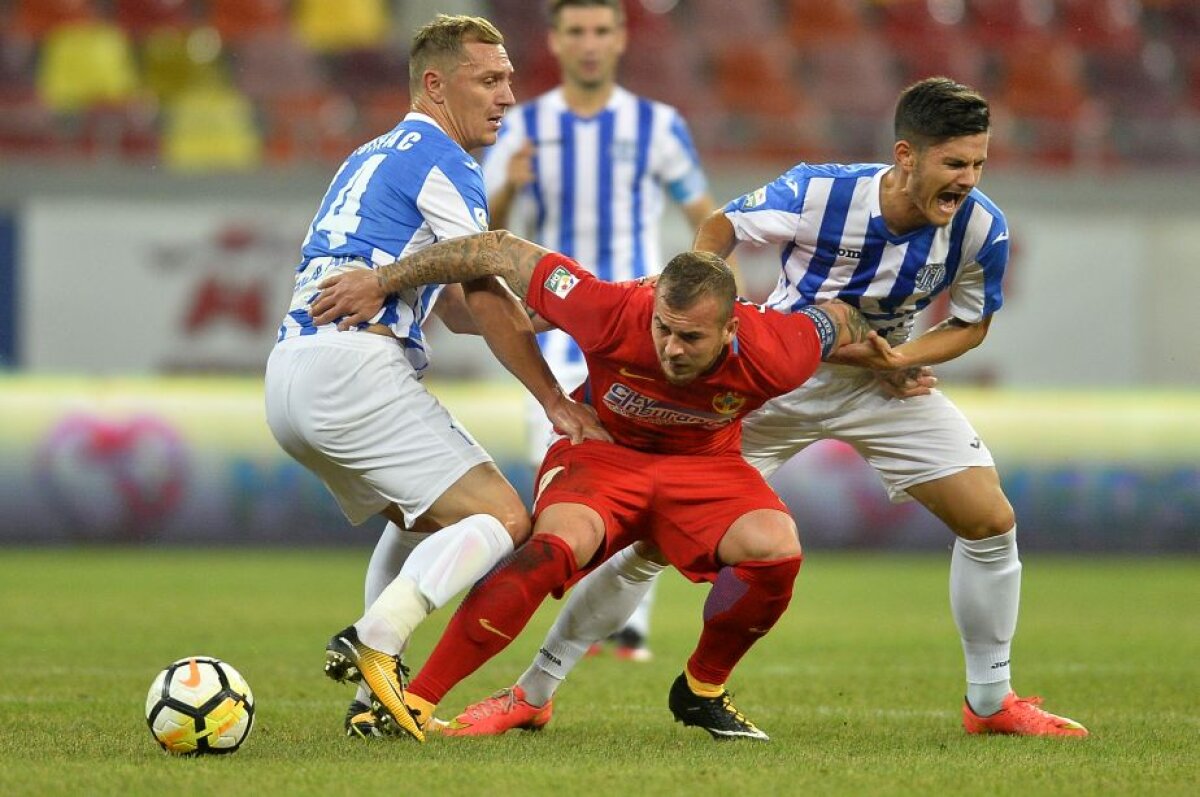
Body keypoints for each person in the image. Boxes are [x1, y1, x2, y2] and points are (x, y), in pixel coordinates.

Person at [448, 77, 1090, 739]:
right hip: (765, 380)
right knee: (646, 541)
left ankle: (990, 701)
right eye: (955, 163)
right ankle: (534, 690)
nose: (969, 181)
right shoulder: (822, 192)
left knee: (990, 520)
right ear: (906, 156)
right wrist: (690, 296)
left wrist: (899, 359)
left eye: (979, 163)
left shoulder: (982, 225)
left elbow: (972, 321)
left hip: (881, 385)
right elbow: (721, 226)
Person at [310, 228, 881, 741]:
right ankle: (411, 702)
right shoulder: (611, 307)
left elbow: (842, 319)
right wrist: (384, 279)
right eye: (664, 328)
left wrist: (893, 359)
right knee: (556, 545)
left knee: (777, 548)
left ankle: (702, 688)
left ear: (731, 327)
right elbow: (494, 249)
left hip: (704, 467)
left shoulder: (778, 348)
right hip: (604, 453)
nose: (671, 348)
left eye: (692, 338)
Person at [263, 14, 607, 743]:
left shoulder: (371, 154)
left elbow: (454, 309)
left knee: (421, 516)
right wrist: (552, 399)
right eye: (489, 79)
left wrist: (562, 313)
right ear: (434, 83)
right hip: (354, 368)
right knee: (505, 519)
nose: (507, 96)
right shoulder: (444, 156)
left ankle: (370, 696)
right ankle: (376, 640)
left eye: (510, 78)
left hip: (292, 377)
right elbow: (480, 280)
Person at [481, 0, 720, 660]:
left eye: (602, 31)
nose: (590, 43)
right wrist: (510, 190)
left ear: (620, 40)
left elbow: (706, 216)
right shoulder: (522, 124)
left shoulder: (659, 125)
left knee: (644, 470)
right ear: (555, 42)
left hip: (641, 330)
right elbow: (487, 233)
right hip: (555, 327)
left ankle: (628, 629)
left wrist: (697, 304)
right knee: (561, 471)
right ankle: (588, 615)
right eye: (577, 31)